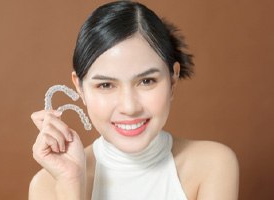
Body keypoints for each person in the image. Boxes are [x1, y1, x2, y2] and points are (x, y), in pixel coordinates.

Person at [29, 1, 239, 200]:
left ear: (173, 79)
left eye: (147, 81)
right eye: (105, 85)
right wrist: (70, 184)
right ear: (80, 88)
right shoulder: (47, 185)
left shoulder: (213, 165)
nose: (129, 108)